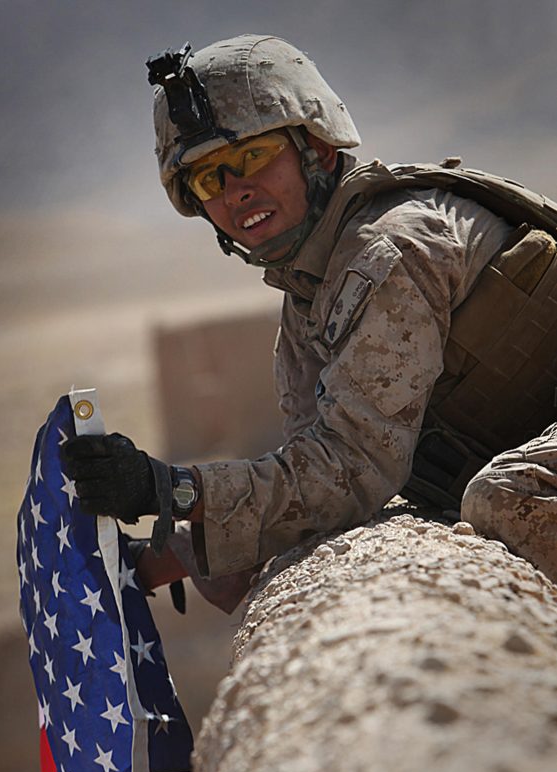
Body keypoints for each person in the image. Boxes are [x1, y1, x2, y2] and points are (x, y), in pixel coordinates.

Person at [63, 34, 557, 607]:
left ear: (317, 149)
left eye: (252, 156)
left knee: (509, 498)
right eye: (208, 179)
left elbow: (352, 469)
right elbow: (314, 480)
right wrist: (171, 555)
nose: (236, 191)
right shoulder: (308, 295)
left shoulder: (389, 251)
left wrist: (169, 489)